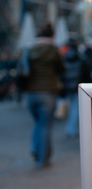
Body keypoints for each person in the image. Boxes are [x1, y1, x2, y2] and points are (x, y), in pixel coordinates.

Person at [24, 23, 64, 169]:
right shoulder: (53, 50)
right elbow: (62, 68)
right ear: (52, 35)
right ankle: (43, 158)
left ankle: (35, 149)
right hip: (48, 92)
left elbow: (22, 68)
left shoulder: (29, 49)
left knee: (37, 122)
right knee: (45, 125)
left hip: (30, 92)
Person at [61, 41, 90, 138]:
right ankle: (71, 129)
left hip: (67, 86)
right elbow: (86, 73)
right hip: (78, 86)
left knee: (71, 108)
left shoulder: (64, 58)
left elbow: (61, 74)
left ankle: (70, 128)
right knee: (75, 109)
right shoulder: (81, 58)